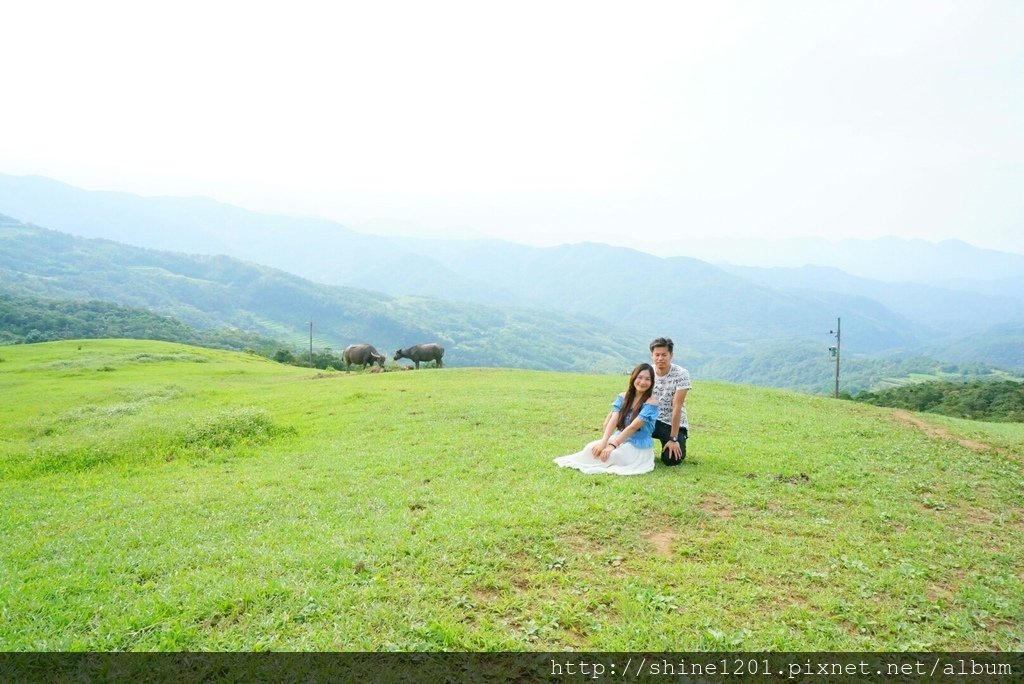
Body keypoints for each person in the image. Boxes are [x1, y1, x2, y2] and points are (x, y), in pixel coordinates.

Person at [554, 363, 659, 476]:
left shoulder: (651, 403)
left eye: (647, 379)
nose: (643, 382)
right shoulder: (623, 397)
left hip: (638, 445)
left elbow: (633, 427)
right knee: (591, 448)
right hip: (619, 437)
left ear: (652, 382)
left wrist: (612, 445)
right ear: (633, 377)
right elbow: (613, 419)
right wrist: (604, 441)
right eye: (640, 377)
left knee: (612, 455)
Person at [649, 337, 691, 465]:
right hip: (650, 419)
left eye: (664, 355)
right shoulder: (648, 372)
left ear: (671, 355)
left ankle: (673, 442)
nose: (660, 358)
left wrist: (673, 438)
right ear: (652, 355)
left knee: (671, 460)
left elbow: (677, 407)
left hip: (671, 423)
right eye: (657, 355)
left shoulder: (681, 374)